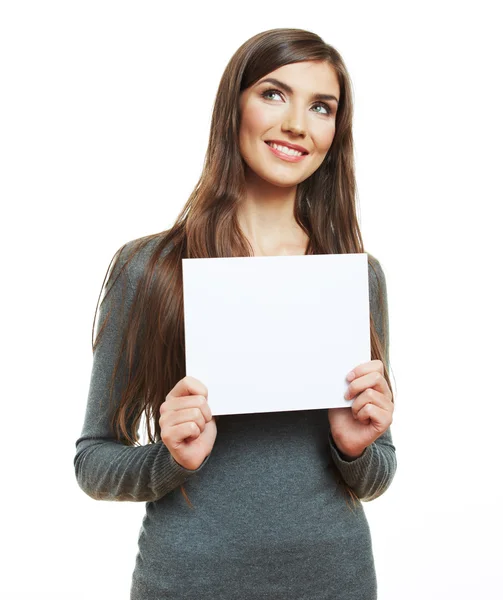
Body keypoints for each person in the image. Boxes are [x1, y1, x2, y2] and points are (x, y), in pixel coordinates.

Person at [74, 27, 397, 600]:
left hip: (335, 581)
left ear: (334, 133)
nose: (297, 123)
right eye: (274, 94)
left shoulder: (355, 276)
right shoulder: (148, 267)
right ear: (234, 106)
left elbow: (376, 475)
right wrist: (169, 458)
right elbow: (93, 462)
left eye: (321, 107)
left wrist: (356, 448)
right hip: (188, 583)